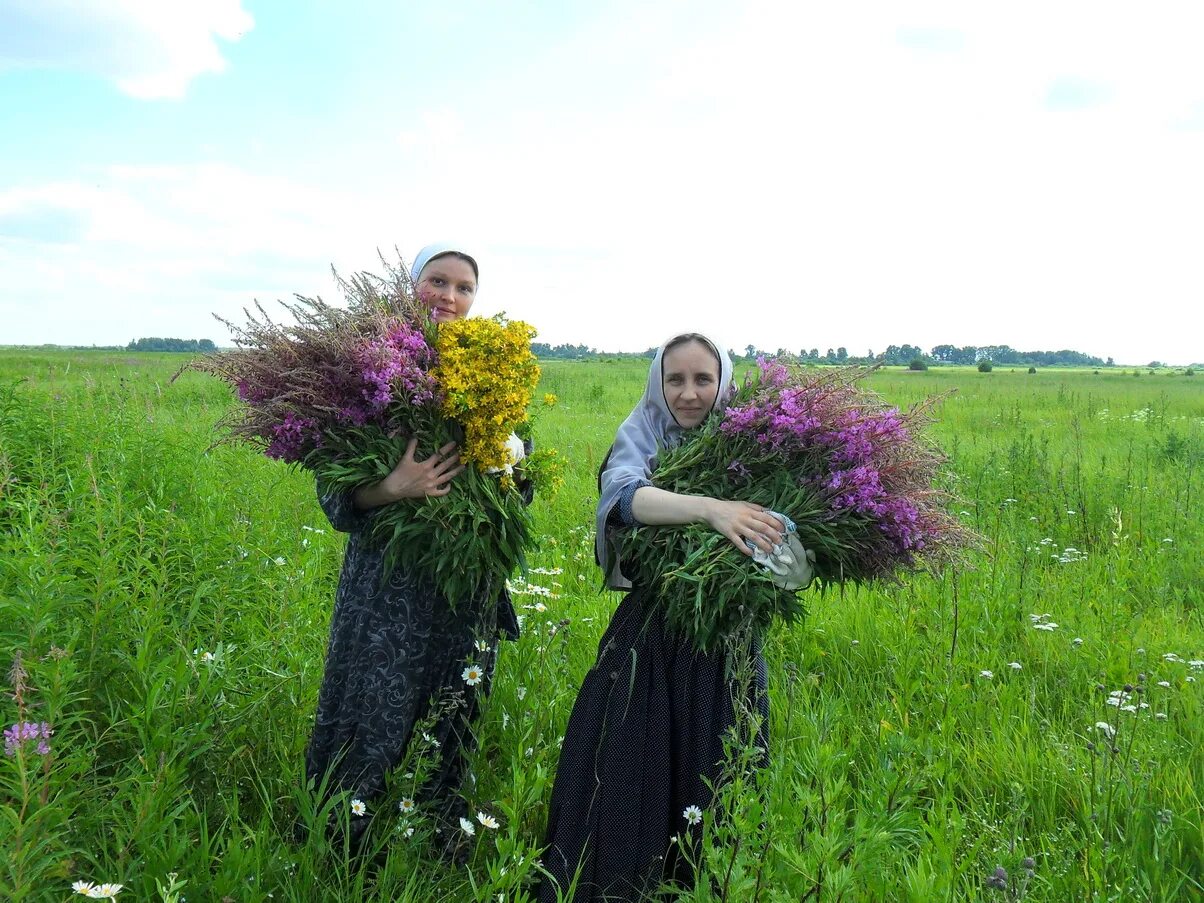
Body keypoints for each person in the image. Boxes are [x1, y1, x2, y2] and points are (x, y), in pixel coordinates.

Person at [538, 333, 787, 901]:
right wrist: (711, 510)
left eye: (704, 379)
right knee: (628, 764)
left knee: (718, 763)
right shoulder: (643, 433)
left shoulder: (755, 443)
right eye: (675, 379)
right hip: (648, 632)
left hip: (725, 634)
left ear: (725, 383)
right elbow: (624, 498)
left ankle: (710, 885)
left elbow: (788, 544)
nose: (690, 393)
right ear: (658, 382)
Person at [303, 242, 528, 856]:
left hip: (466, 586)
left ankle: (434, 839)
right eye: (437, 281)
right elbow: (333, 491)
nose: (449, 298)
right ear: (412, 285)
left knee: (452, 708)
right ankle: (345, 843)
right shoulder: (371, 365)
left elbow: (518, 488)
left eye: (464, 287)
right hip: (388, 585)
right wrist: (393, 488)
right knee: (374, 704)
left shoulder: (494, 369)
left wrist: (511, 462)